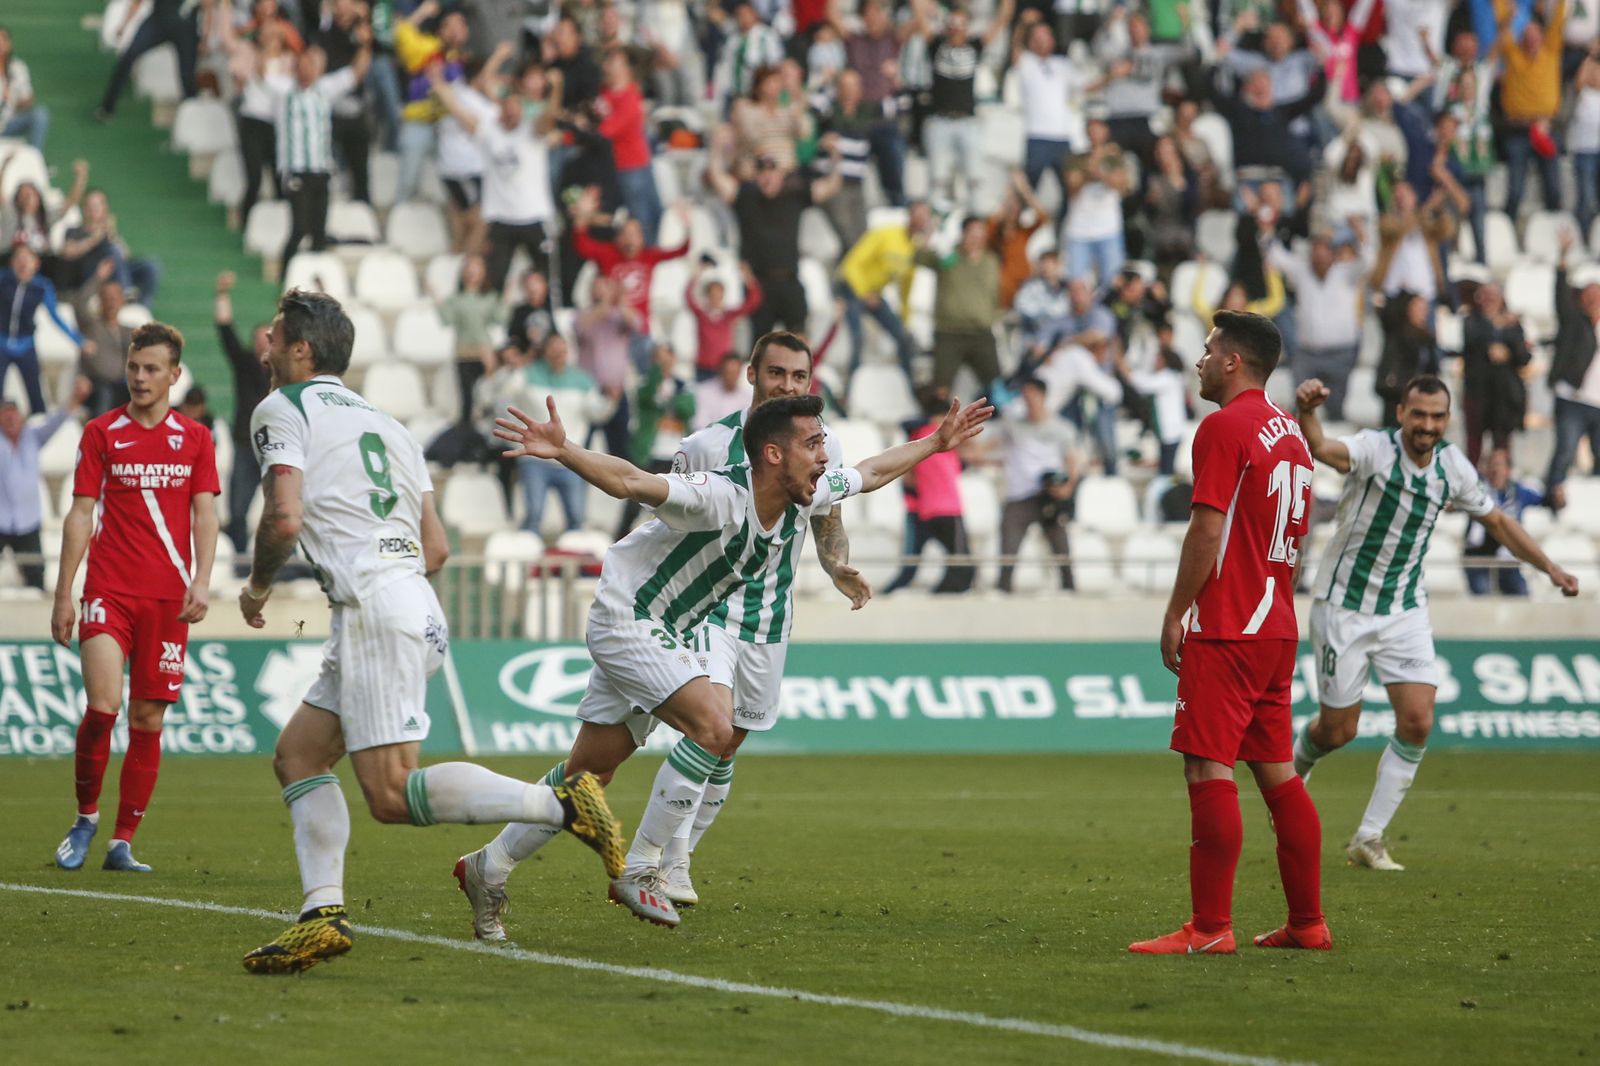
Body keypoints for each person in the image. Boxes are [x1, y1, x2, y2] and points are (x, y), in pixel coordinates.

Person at [454, 387, 990, 935]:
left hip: (671, 628)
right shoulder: (720, 494)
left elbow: (872, 472)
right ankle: (641, 868)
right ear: (774, 454)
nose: (826, 456)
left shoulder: (806, 494)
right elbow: (633, 481)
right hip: (629, 616)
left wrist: (937, 443)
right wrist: (565, 450)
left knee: (588, 775)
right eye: (813, 444)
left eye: (824, 442)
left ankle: (487, 867)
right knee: (715, 724)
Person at [235, 290, 625, 973]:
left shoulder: (281, 409)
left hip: (375, 611)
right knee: (298, 756)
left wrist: (260, 585)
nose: (263, 349)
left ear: (301, 349)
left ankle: (558, 801)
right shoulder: (390, 425)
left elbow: (284, 519)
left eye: (272, 338)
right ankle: (321, 913)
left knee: (391, 794)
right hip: (410, 602)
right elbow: (436, 548)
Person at [1292, 374, 1579, 871]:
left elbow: (1498, 522)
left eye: (1437, 417)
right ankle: (1295, 773)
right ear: (1401, 412)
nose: (1427, 425)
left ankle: (1369, 837)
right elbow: (1319, 447)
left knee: (1418, 720)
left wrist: (1549, 567)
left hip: (1404, 609)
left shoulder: (1453, 465)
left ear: (1447, 420)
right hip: (1345, 605)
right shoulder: (1373, 449)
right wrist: (1308, 410)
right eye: (1418, 415)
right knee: (1339, 730)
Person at [1130, 310, 1327, 956]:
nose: (1200, 360)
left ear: (1234, 362)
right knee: (1277, 774)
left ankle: (1210, 928)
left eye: (1209, 350)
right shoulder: (1292, 436)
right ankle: (1307, 923)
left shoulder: (1223, 427)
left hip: (1229, 626)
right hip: (1276, 628)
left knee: (1206, 766)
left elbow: (1208, 529)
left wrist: (1175, 610)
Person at [50, 323, 220, 875]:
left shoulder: (195, 439)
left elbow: (205, 513)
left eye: (151, 369)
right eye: (133, 367)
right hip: (109, 589)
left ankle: (122, 841)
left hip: (168, 599)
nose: (140, 378)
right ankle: (85, 817)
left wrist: (201, 581)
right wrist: (65, 594)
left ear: (174, 374)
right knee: (103, 708)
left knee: (148, 722)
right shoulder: (101, 433)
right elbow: (81, 513)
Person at [432, 66, 561, 294]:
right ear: (500, 108)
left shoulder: (531, 130)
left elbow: (549, 118)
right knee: (492, 282)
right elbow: (462, 114)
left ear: (522, 109)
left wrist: (556, 89)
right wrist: (441, 88)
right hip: (500, 219)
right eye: (506, 106)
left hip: (534, 217)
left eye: (515, 107)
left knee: (546, 281)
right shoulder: (490, 132)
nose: (510, 112)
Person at [276, 41, 372, 270]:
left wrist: (365, 42)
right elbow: (260, 74)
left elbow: (355, 73)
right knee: (299, 228)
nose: (308, 69)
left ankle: (310, 287)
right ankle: (284, 278)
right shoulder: (284, 91)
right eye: (303, 64)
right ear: (295, 68)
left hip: (321, 170)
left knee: (319, 232)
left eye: (312, 64)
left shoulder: (325, 90)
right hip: (296, 170)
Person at [516, 333, 613, 535]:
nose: (558, 353)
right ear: (545, 351)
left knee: (576, 517)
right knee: (533, 515)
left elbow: (597, 413)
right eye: (553, 348)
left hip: (570, 458)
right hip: (534, 458)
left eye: (562, 348)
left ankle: (575, 565)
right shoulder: (527, 374)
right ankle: (531, 562)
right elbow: (504, 395)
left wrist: (611, 400)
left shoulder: (582, 380)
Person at [883, 385, 976, 595]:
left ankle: (886, 596)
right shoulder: (941, 441)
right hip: (949, 510)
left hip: (925, 509)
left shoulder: (919, 440)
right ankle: (939, 598)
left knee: (911, 566)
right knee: (964, 566)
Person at [0, 380, 91, 590]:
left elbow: (57, 421)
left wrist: (76, 399)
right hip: (1, 520)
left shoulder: (32, 437)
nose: (10, 416)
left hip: (28, 520)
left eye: (14, 412)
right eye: (5, 412)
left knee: (36, 577)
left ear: (22, 417)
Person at [994, 377, 1081, 594]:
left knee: (1061, 550)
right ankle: (1003, 591)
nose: (1028, 401)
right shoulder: (1013, 427)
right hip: (1019, 496)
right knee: (1008, 550)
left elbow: (1073, 461)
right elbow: (986, 448)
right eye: (1025, 396)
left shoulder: (1062, 428)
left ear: (1043, 396)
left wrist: (1067, 488)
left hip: (1048, 495)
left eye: (1032, 395)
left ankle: (1069, 592)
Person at [836, 202, 933, 379]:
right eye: (918, 216)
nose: (921, 221)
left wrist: (905, 320)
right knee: (857, 338)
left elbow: (906, 288)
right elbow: (851, 264)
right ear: (910, 216)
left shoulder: (914, 248)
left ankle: (910, 387)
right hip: (851, 287)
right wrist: (863, 293)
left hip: (874, 294)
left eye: (925, 218)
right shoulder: (886, 233)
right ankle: (849, 389)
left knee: (903, 338)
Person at [1545, 233, 1600, 509]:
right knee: (1565, 452)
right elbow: (1559, 295)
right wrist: (1562, 260)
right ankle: (1551, 499)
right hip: (1573, 399)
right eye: (1588, 295)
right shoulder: (1574, 321)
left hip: (1598, 402)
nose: (1592, 300)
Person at [918, 215, 1003, 391]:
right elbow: (920, 256)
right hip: (949, 333)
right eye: (973, 234)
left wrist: (994, 317)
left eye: (981, 235)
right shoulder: (949, 256)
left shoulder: (991, 261)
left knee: (996, 386)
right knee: (941, 387)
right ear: (963, 234)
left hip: (981, 333)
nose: (976, 239)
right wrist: (929, 230)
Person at [1, 245, 86, 415]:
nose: (23, 263)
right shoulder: (3, 279)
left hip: (25, 345)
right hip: (1, 343)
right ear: (12, 263)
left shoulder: (42, 286)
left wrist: (79, 340)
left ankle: (39, 427)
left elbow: (55, 316)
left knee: (35, 393)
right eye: (19, 259)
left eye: (27, 259)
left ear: (36, 264)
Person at [96, 0, 209, 121]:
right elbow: (137, 2)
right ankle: (107, 107)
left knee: (187, 76)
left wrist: (205, 38)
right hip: (157, 23)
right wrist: (124, 25)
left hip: (185, 30)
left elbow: (208, 7)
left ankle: (194, 117)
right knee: (128, 57)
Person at [1459, 281, 1530, 466]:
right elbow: (1473, 342)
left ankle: (1501, 483)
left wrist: (1508, 351)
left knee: (1502, 447)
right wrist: (1496, 327)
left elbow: (1523, 357)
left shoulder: (1513, 325)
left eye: (1494, 296)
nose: (1489, 300)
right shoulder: (1471, 321)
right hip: (1478, 392)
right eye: (1486, 295)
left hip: (1503, 395)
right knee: (1474, 445)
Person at [437, 254, 509, 425]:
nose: (472, 273)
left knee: (486, 397)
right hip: (463, 353)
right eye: (469, 269)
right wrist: (439, 301)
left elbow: (499, 318)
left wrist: (505, 300)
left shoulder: (489, 297)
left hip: (484, 353)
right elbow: (447, 320)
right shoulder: (455, 299)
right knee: (467, 400)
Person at [1463, 449, 1543, 597]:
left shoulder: (1517, 492)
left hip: (1508, 559)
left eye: (1499, 465)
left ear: (1508, 470)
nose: (1495, 469)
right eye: (1491, 465)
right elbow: (1451, 505)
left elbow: (1547, 500)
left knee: (1521, 596)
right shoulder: (1475, 490)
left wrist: (1557, 498)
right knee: (1483, 599)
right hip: (1479, 558)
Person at [67, 260, 135, 418]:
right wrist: (97, 278)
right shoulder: (91, 325)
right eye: (106, 297)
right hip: (96, 385)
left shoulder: (128, 331)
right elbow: (79, 303)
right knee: (104, 397)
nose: (111, 302)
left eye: (114, 297)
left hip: (121, 384)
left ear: (122, 302)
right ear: (100, 301)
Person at [686, 262, 763, 381]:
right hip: (703, 367)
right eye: (712, 294)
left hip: (723, 368)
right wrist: (697, 274)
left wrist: (748, 277)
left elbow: (753, 301)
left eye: (719, 294)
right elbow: (688, 297)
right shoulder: (701, 314)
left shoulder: (728, 315)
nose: (715, 297)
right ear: (708, 295)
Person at [0, 25, 49, 150]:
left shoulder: (18, 68)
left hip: (8, 122)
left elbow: (27, 101)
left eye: (3, 40)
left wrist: (14, 98)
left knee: (40, 114)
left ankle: (34, 159)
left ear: (9, 44)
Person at [693, 352, 754, 428]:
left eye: (735, 373)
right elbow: (699, 424)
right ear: (721, 371)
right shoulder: (703, 392)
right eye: (728, 372)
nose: (731, 377)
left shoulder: (747, 398)